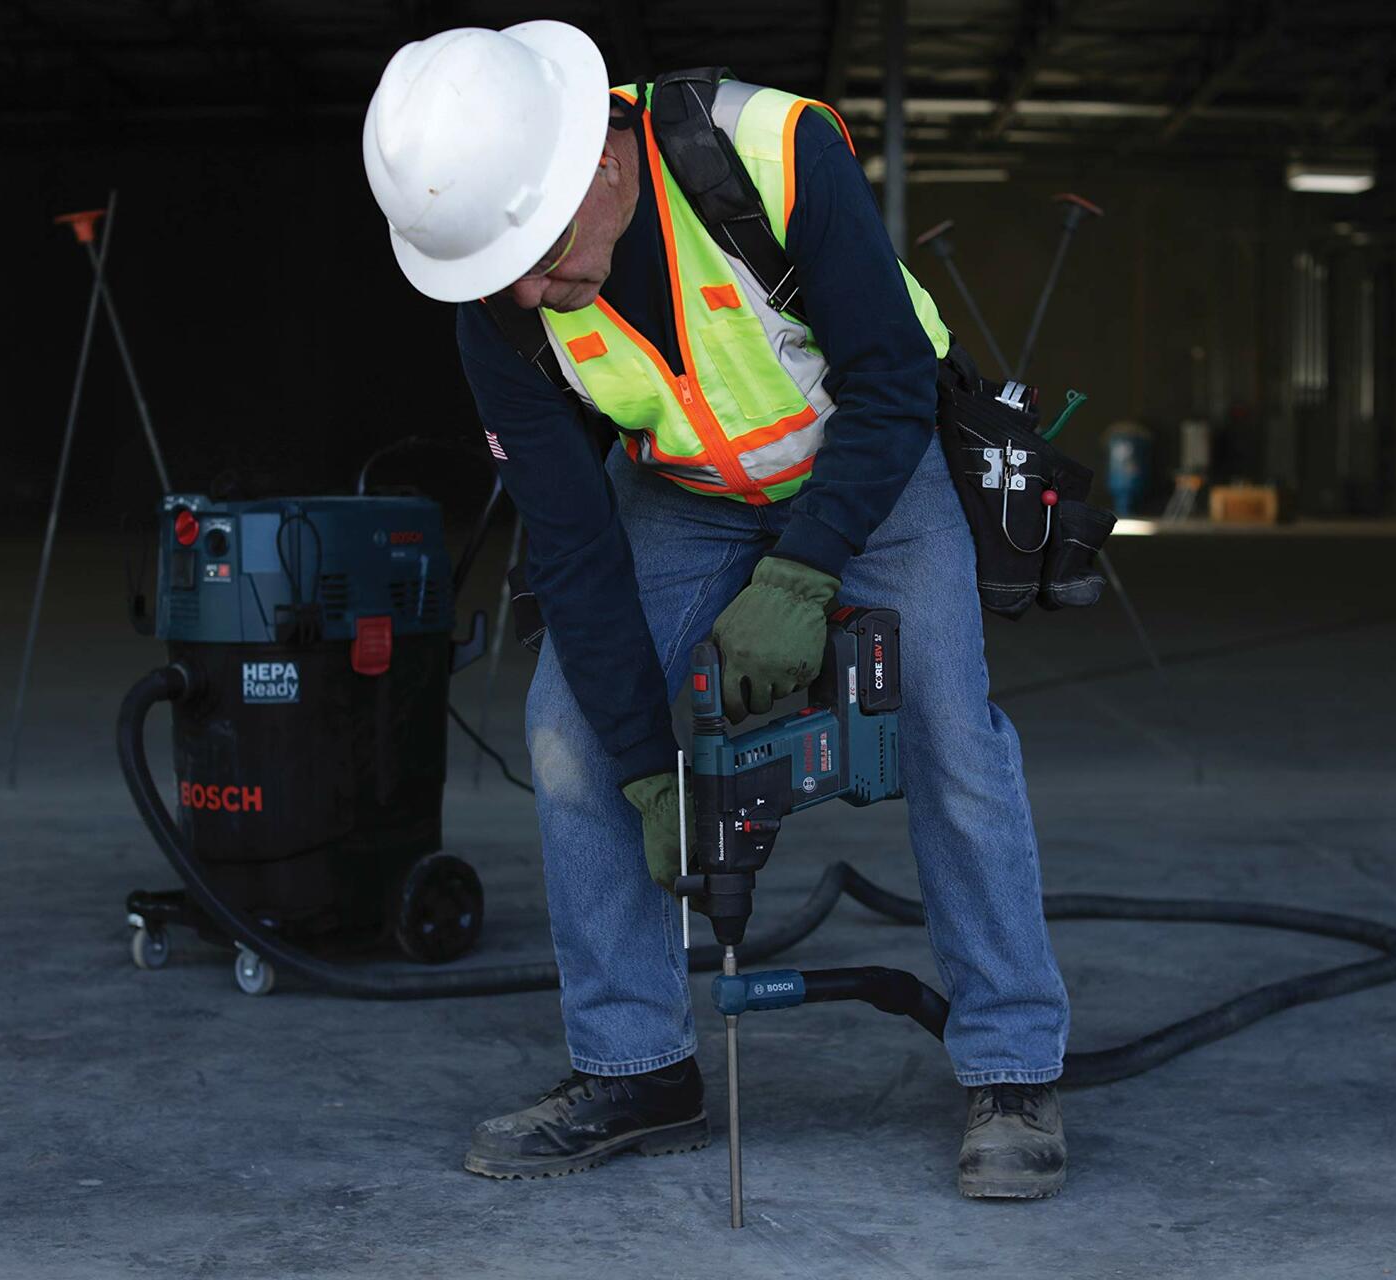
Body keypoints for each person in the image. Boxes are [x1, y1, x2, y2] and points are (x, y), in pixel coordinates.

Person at [363, 20, 1069, 1199]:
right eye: (503, 272)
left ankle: (1011, 1065)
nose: (534, 291)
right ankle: (637, 1064)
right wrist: (647, 770)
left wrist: (802, 575)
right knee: (568, 730)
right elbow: (576, 551)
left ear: (597, 154)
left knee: (950, 722)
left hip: (868, 466)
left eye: (537, 252)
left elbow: (894, 383)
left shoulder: (772, 149)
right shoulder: (499, 306)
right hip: (684, 492)